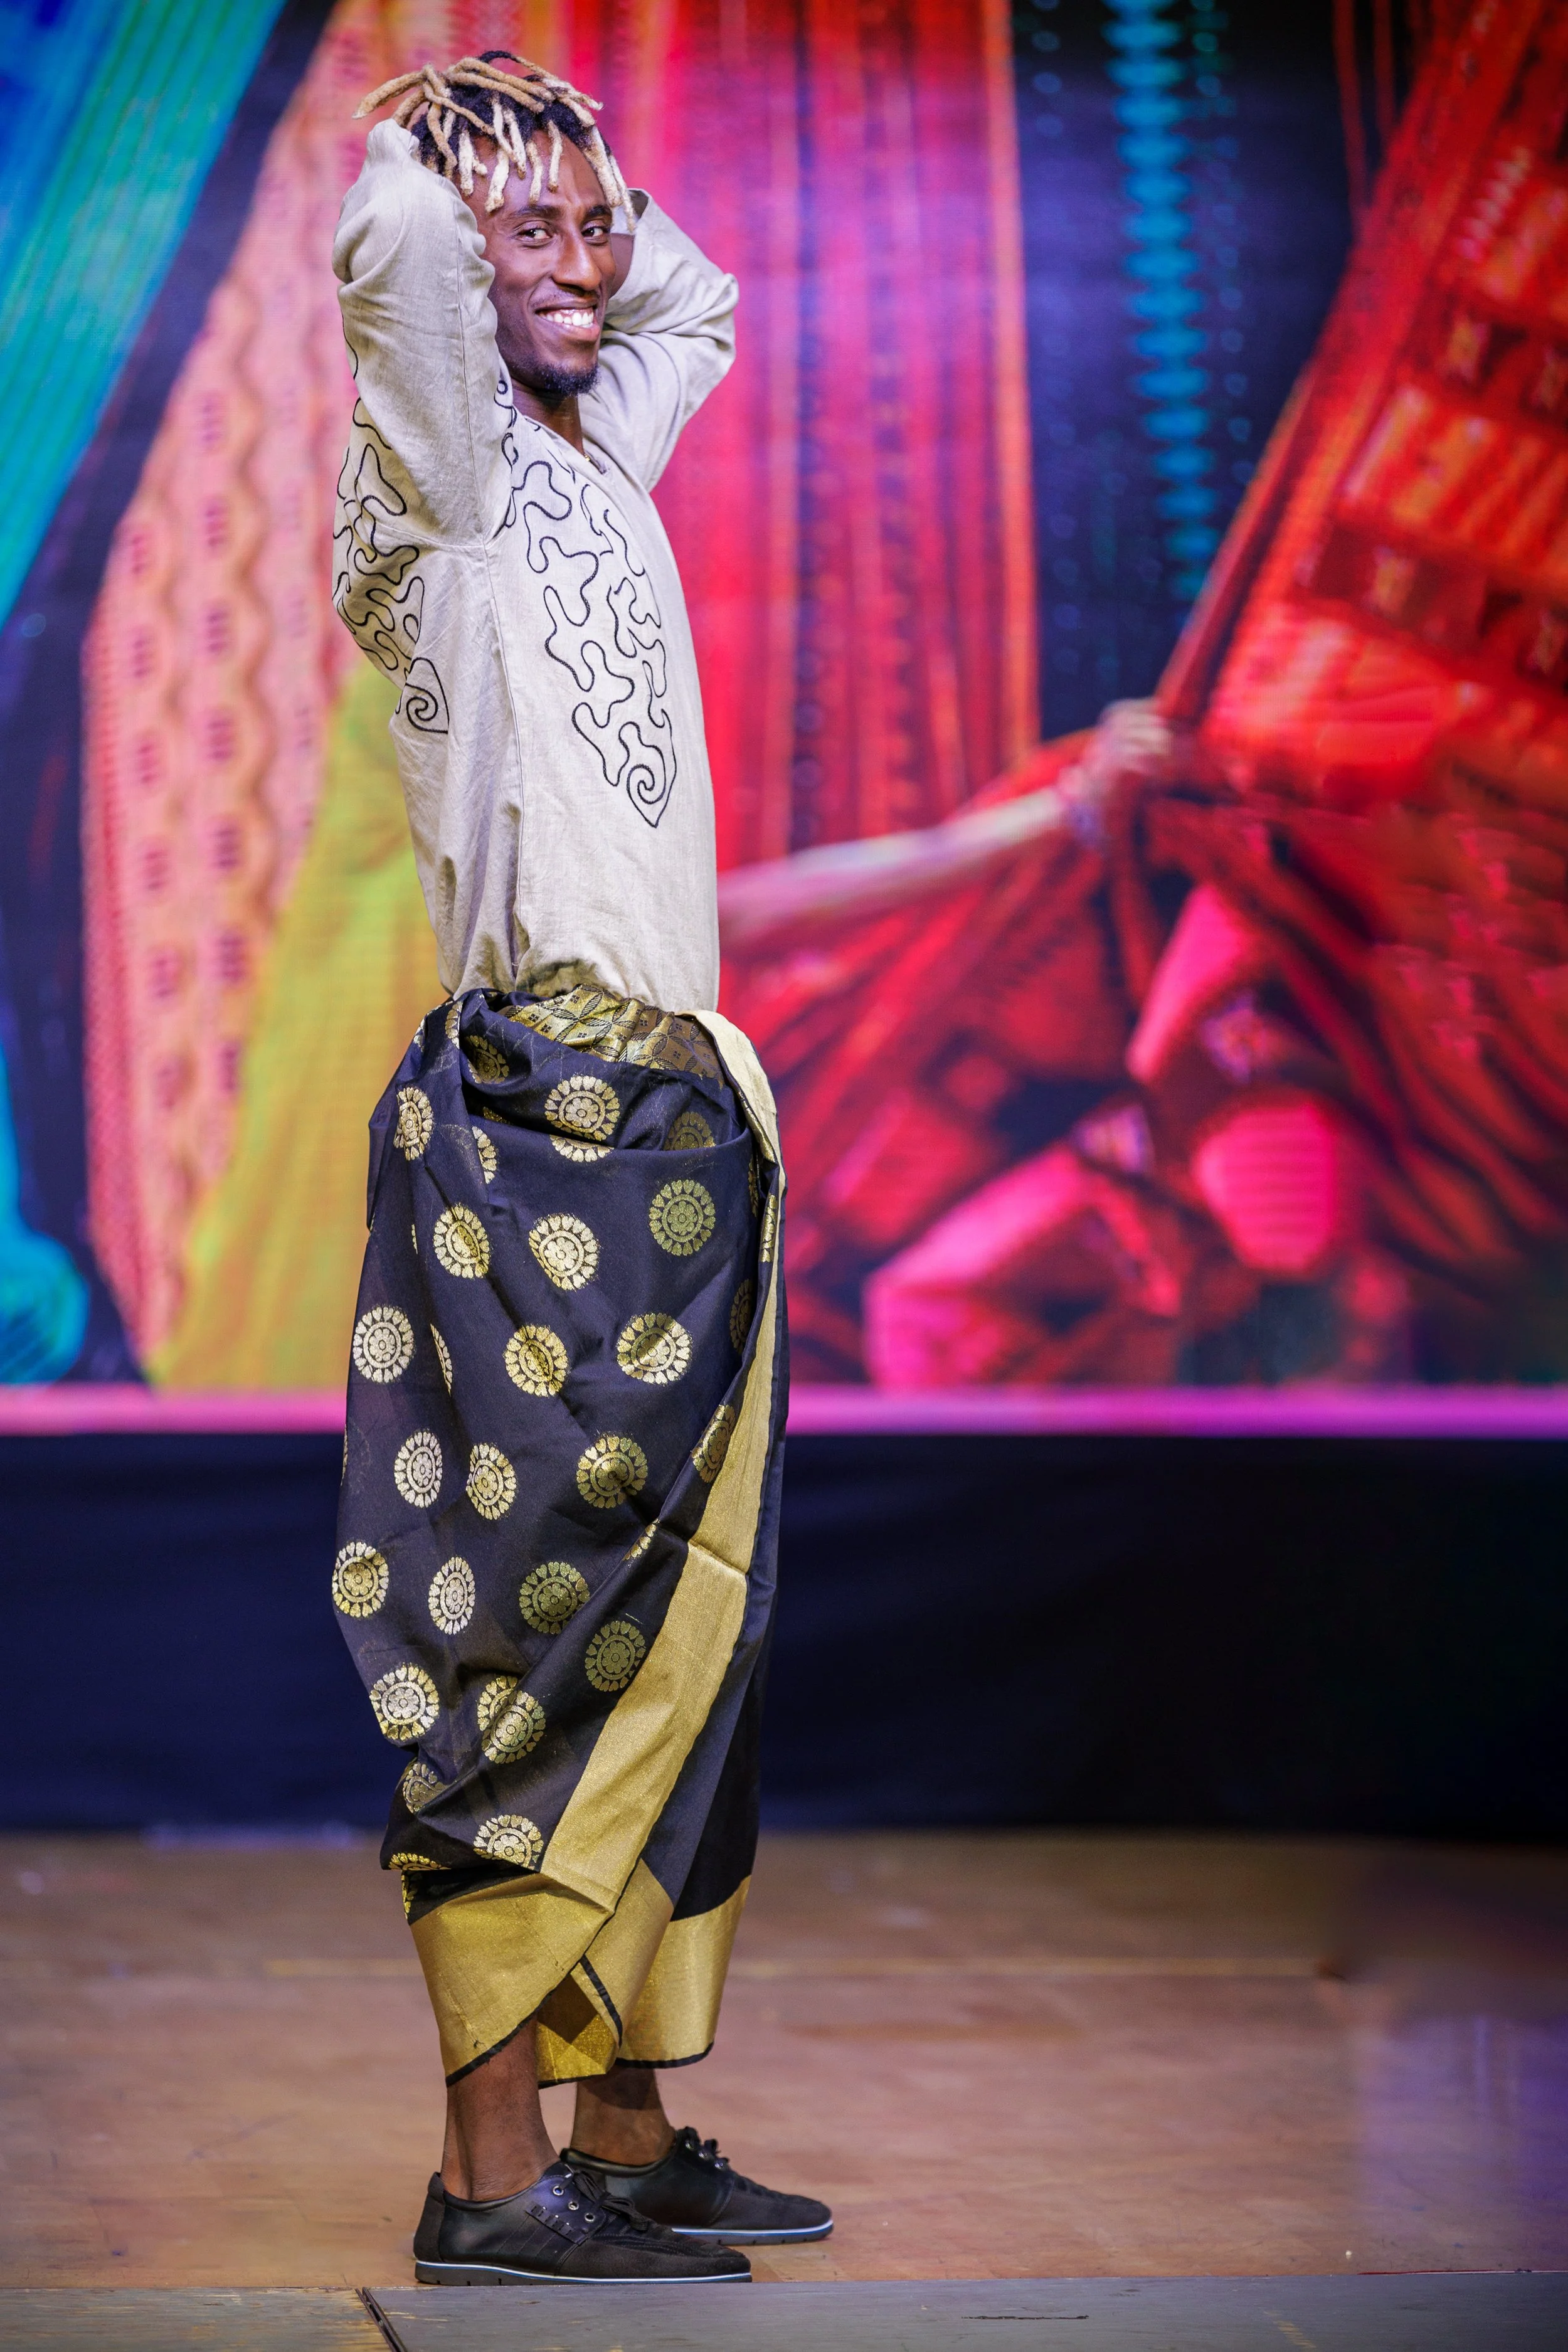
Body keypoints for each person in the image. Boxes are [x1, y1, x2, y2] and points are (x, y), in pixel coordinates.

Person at [330, 50, 827, 2286]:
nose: (573, 262)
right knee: (525, 1647)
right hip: (542, 1116)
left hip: (688, 1118)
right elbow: (402, 258)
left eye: (583, 225)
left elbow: (693, 303)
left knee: (692, 1640)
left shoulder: (588, 443)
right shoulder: (423, 476)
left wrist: (580, 167)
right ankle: (481, 2164)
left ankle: (626, 2122)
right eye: (519, 237)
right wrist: (461, 137)